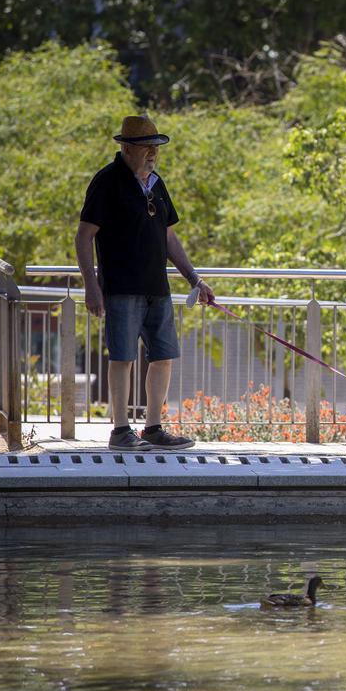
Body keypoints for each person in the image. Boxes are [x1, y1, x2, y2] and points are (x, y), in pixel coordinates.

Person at [75, 115, 214, 449]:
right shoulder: (107, 182)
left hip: (157, 288)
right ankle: (120, 431)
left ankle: (153, 428)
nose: (152, 153)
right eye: (145, 147)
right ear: (126, 147)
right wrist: (91, 286)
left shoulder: (157, 183)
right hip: (121, 287)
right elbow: (83, 237)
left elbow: (169, 238)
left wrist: (195, 279)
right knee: (122, 357)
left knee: (163, 356)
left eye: (155, 146)